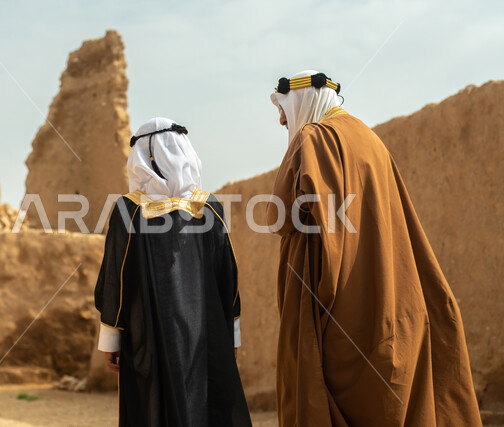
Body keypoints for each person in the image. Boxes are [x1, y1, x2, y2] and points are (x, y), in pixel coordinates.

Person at [266, 70, 481, 426]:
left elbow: (278, 217)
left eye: (284, 109)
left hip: (339, 305)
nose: (281, 119)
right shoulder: (370, 138)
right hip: (391, 304)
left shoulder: (314, 139)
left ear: (303, 100)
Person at [95, 117, 252, 427]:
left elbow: (116, 278)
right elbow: (228, 278)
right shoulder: (209, 208)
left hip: (148, 335)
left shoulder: (129, 210)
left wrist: (111, 339)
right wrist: (231, 334)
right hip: (207, 334)